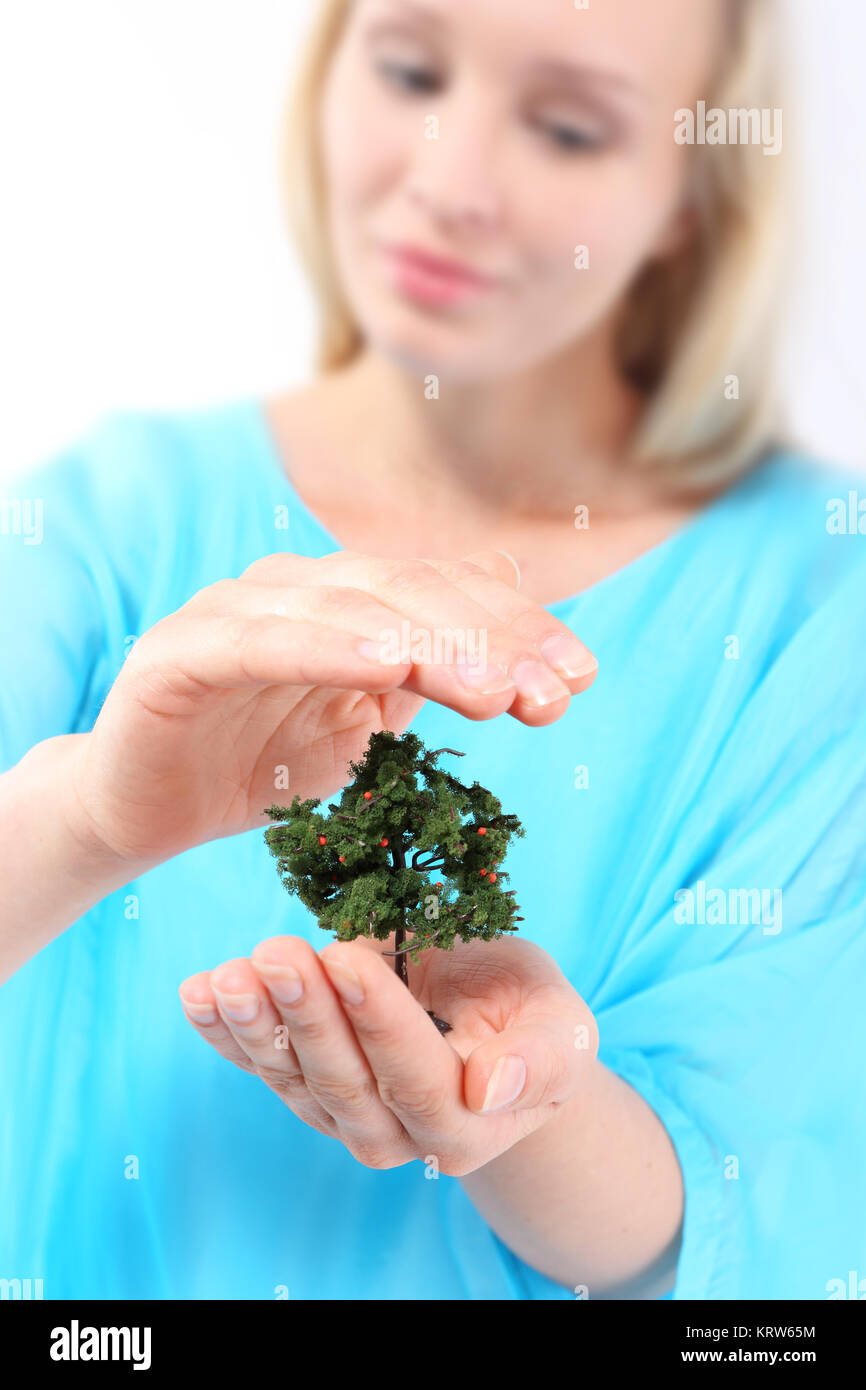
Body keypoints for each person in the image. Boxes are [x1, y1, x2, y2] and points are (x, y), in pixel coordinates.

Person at [2, 0, 864, 1302]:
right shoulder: (105, 513)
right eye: (409, 68)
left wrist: (523, 1109)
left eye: (568, 128)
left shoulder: (816, 600)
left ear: (689, 191)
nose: (450, 182)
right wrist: (88, 814)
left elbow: (764, 1233)